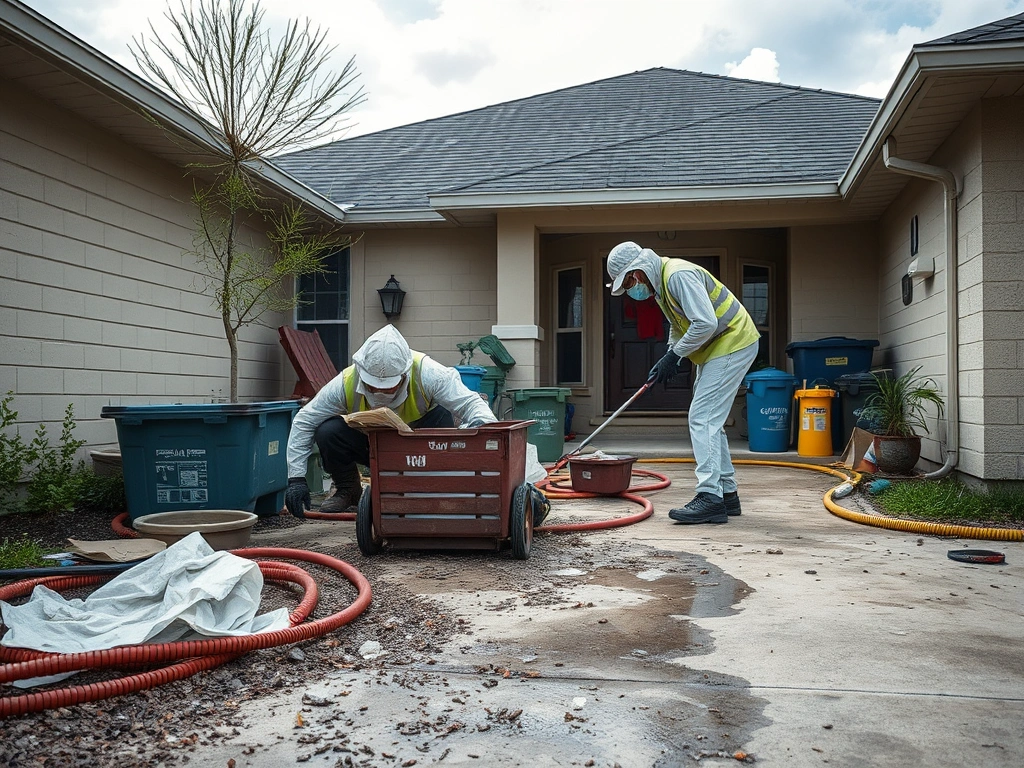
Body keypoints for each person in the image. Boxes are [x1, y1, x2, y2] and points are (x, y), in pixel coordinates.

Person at [606, 241, 760, 524]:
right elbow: (679, 326)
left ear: (637, 273)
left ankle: (709, 497)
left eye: (627, 284)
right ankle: (727, 494)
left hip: (733, 340)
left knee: (702, 418)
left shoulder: (678, 275)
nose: (630, 291)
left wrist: (676, 355)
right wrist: (670, 356)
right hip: (717, 347)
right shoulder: (661, 286)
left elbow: (705, 323)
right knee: (710, 421)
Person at [284, 324, 497, 518]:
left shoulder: (430, 374)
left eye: (388, 387)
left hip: (424, 446)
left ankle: (433, 488)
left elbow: (470, 403)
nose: (379, 392)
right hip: (376, 446)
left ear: (404, 374)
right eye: (373, 386)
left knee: (441, 413)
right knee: (328, 431)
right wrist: (296, 479)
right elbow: (305, 420)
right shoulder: (346, 382)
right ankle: (348, 489)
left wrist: (491, 443)